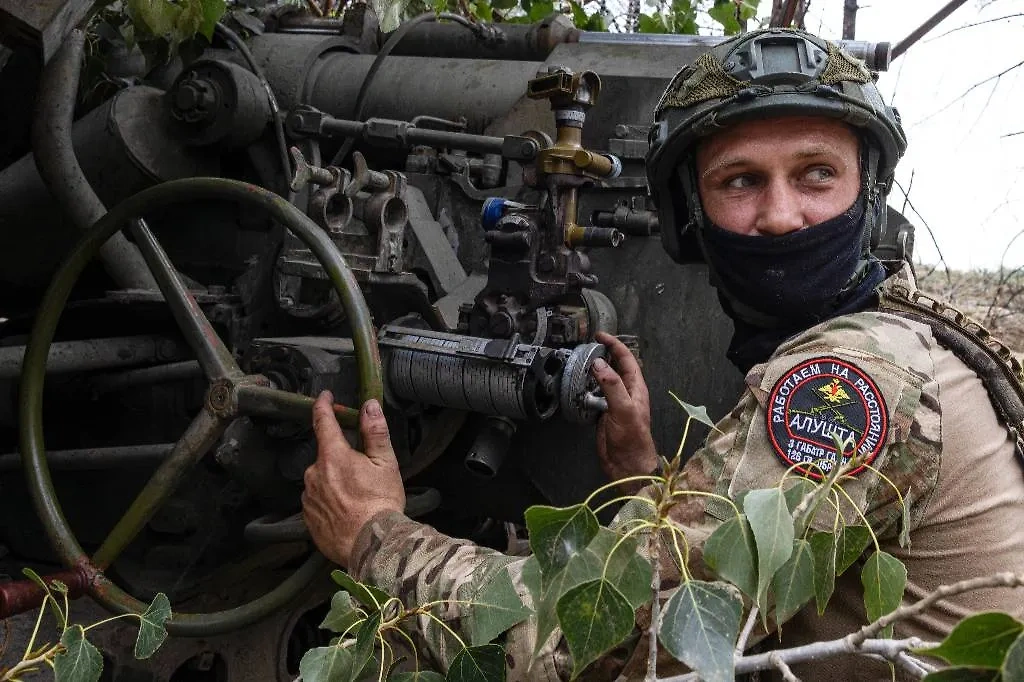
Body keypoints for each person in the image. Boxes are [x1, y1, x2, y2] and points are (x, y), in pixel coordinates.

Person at [301, 28, 1024, 680]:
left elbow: (587, 640)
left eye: (815, 175)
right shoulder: (891, 331)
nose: (778, 216)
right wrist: (649, 475)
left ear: (866, 191)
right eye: (741, 181)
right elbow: (735, 564)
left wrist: (376, 535)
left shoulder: (846, 378)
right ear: (690, 217)